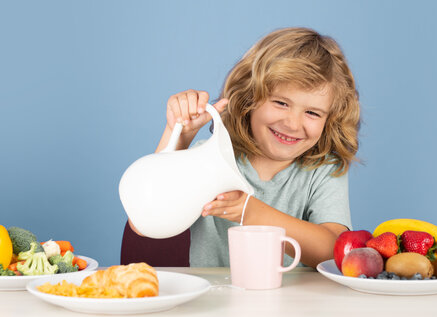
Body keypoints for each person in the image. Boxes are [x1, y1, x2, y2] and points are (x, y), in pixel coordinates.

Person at [124, 27, 360, 269]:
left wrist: (251, 212)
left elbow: (333, 251)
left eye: (312, 112)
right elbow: (144, 220)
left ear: (330, 119)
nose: (292, 123)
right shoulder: (211, 159)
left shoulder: (323, 170)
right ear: (249, 99)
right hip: (213, 302)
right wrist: (179, 136)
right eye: (280, 103)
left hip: (295, 305)